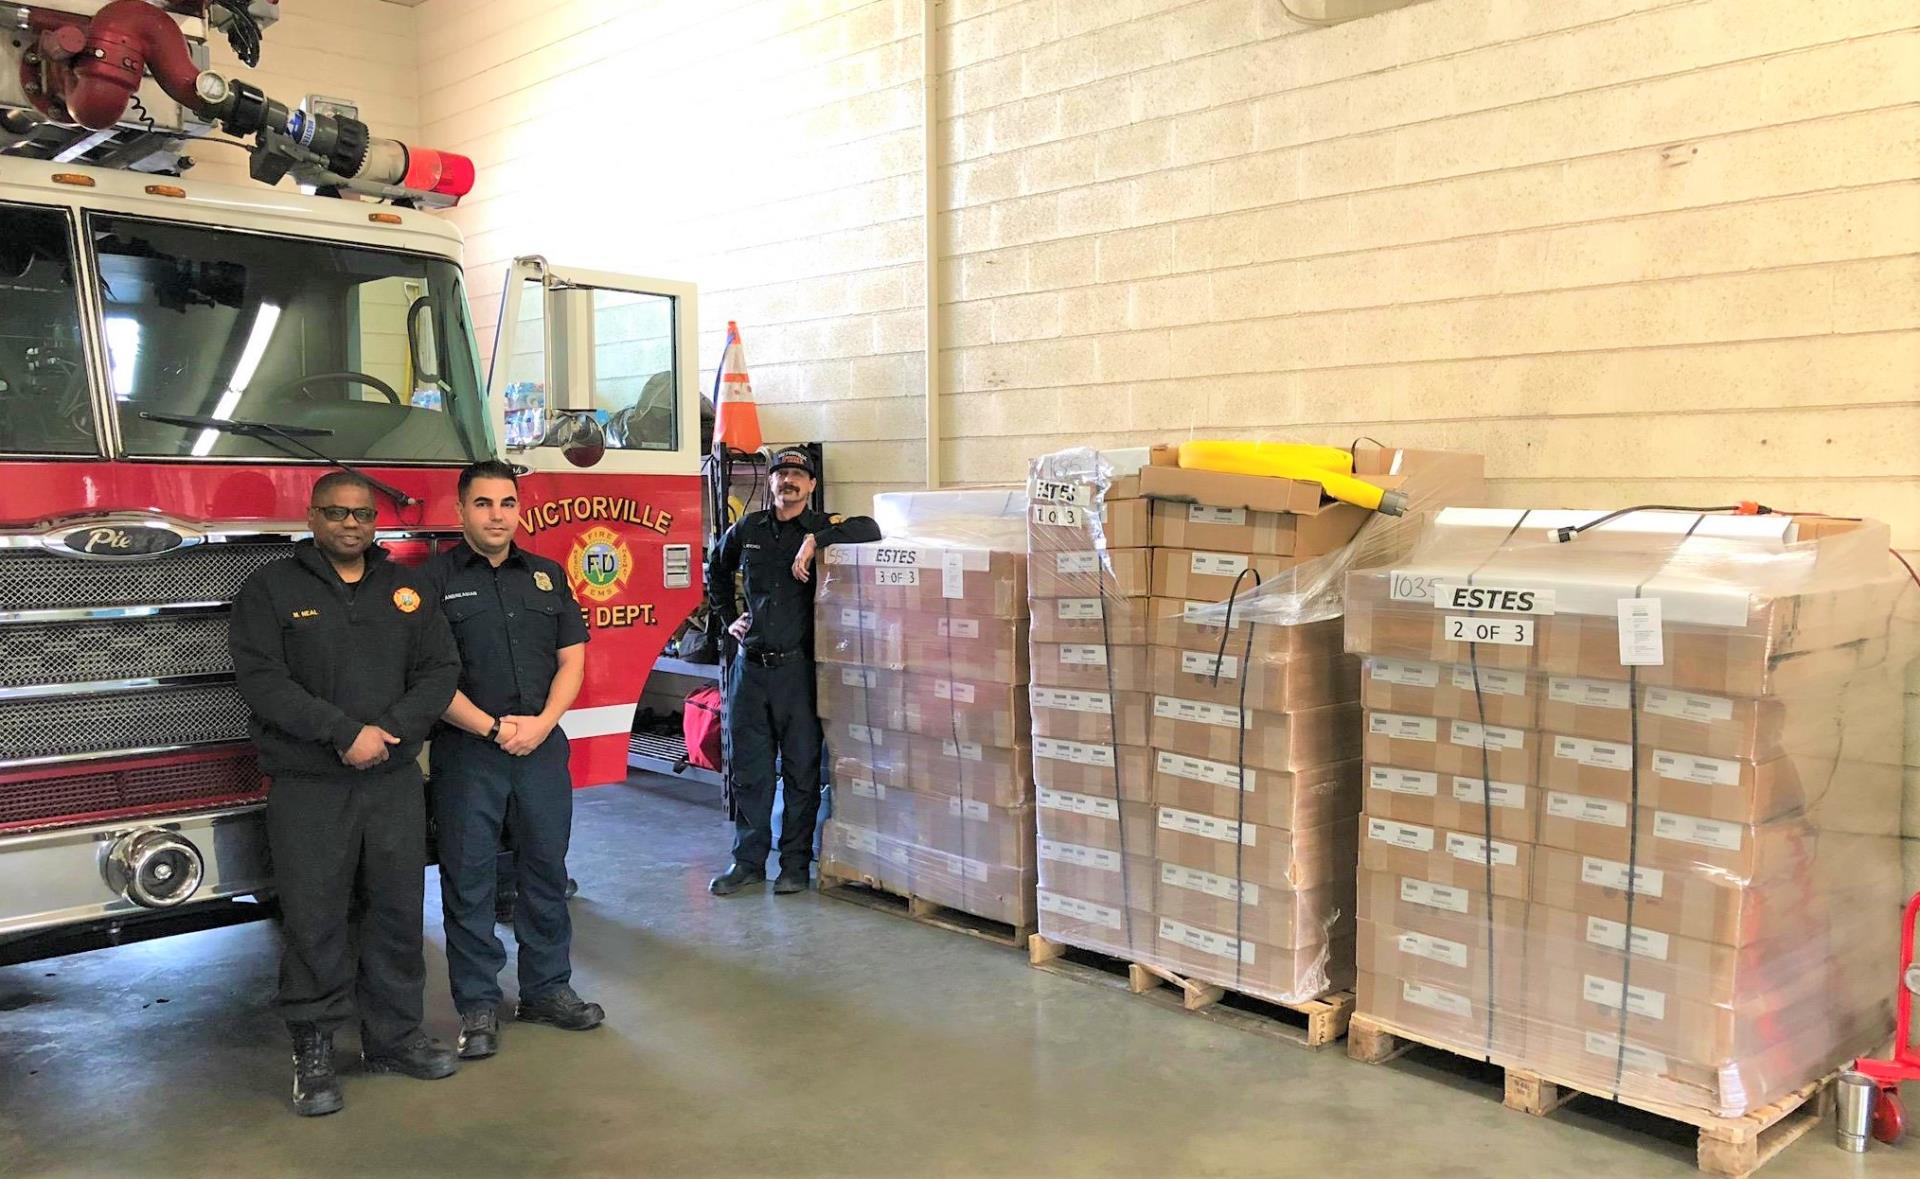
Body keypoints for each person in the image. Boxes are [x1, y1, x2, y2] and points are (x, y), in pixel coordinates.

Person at [227, 471, 463, 1117]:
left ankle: (395, 1037)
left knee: (395, 910)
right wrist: (341, 731)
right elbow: (261, 679)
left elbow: (441, 668)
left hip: (390, 780)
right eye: (336, 513)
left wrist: (391, 730)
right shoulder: (270, 589)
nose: (351, 524)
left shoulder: (407, 587)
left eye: (362, 514)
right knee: (314, 917)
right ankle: (315, 1051)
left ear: (374, 520)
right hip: (310, 786)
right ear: (312, 517)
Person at [425, 460, 603, 1061]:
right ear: (461, 511)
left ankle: (547, 989)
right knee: (470, 879)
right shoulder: (433, 582)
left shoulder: (549, 577)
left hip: (541, 751)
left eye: (506, 502)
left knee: (545, 873)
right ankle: (477, 1005)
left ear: (518, 510)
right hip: (469, 753)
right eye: (483, 503)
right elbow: (428, 677)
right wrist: (494, 728)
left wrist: (543, 725)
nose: (496, 514)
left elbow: (572, 661)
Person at [706, 448, 880, 896]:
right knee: (749, 770)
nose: (789, 481)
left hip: (798, 673)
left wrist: (815, 541)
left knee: (802, 770)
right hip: (751, 671)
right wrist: (729, 617)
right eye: (781, 473)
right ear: (770, 481)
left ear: (811, 486)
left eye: (798, 475)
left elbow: (871, 528)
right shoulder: (749, 528)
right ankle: (747, 862)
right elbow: (717, 570)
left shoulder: (823, 527)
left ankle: (794, 865)